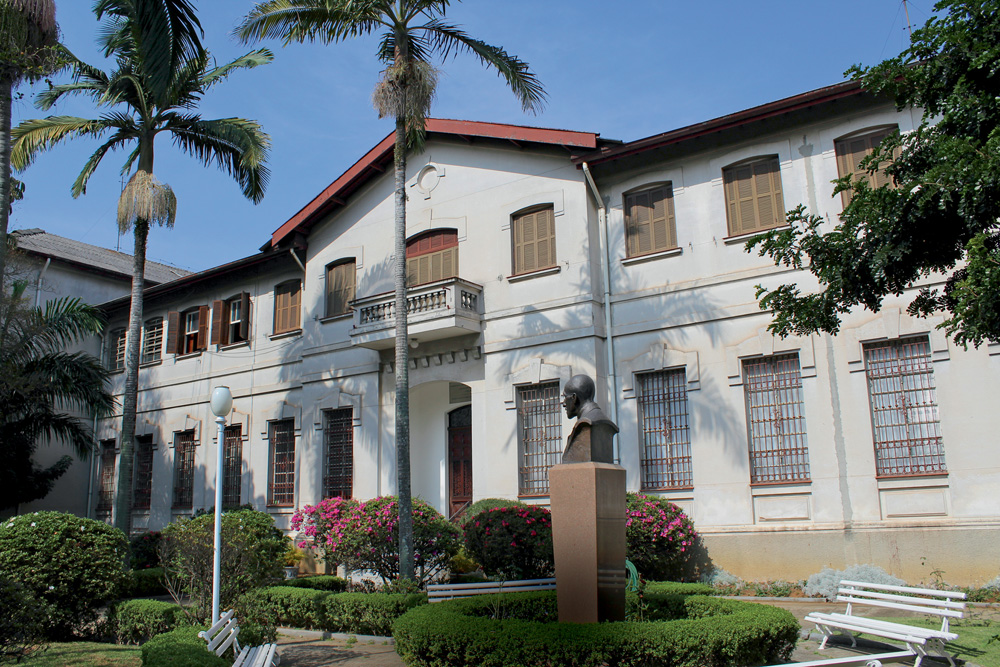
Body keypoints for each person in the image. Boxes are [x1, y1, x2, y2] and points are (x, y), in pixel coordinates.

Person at [561, 374, 618, 463]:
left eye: (565, 397)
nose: (564, 403)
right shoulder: (604, 421)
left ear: (574, 398)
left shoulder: (585, 425)